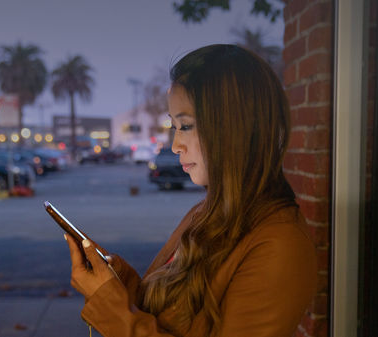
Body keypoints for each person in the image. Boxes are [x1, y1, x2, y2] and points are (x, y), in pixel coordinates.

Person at [64, 44, 318, 337]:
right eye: (173, 126)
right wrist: (112, 281)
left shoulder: (280, 246)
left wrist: (110, 308)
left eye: (185, 126)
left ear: (232, 127)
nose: (175, 146)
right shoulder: (205, 212)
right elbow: (161, 312)